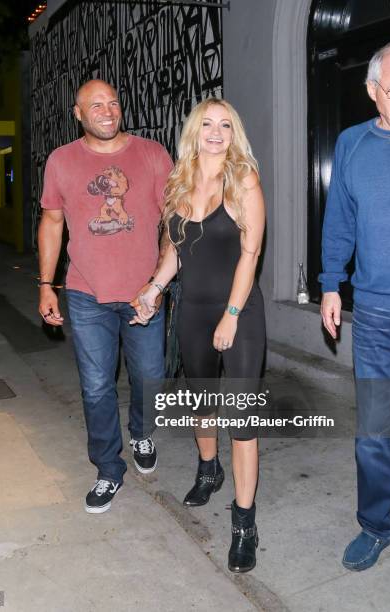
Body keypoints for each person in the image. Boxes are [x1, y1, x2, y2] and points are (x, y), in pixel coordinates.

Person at [131, 98, 266, 572]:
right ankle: (209, 468)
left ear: (234, 133)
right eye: (207, 124)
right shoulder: (178, 183)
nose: (215, 132)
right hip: (191, 310)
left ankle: (244, 522)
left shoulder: (244, 180)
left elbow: (250, 255)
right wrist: (152, 290)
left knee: (242, 418)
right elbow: (174, 252)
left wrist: (231, 314)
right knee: (201, 402)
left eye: (225, 125)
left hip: (239, 311)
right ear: (194, 131)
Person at [38, 79, 173, 513]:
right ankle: (108, 469)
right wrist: (45, 284)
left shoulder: (152, 154)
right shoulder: (61, 161)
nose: (107, 110)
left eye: (113, 101)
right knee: (96, 388)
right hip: (84, 292)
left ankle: (141, 431)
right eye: (95, 105)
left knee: (149, 379)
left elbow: (175, 222)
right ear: (78, 113)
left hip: (144, 293)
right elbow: (52, 223)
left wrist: (158, 283)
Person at [320, 42, 390, 571]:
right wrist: (329, 284)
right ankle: (377, 523)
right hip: (375, 315)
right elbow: (340, 221)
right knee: (376, 428)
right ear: (372, 92)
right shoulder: (352, 144)